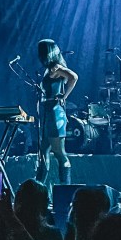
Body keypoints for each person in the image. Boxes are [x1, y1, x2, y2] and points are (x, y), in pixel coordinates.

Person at [35, 39, 78, 188]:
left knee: (59, 152)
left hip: (54, 113)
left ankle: (65, 188)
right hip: (47, 113)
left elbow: (74, 77)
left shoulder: (56, 68)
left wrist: (64, 96)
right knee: (43, 152)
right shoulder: (49, 69)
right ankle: (38, 187)